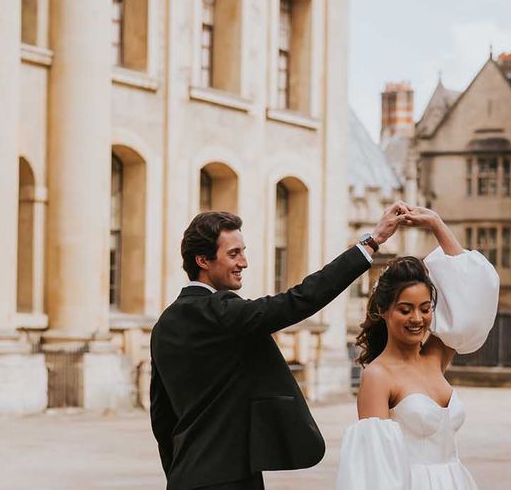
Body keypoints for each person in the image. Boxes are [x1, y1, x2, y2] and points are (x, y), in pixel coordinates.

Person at [150, 203, 408, 490]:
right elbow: (300, 299)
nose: (244, 262)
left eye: (243, 251)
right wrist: (371, 243)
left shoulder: (163, 325)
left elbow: (161, 418)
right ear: (202, 260)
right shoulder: (222, 312)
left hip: (185, 477)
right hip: (230, 477)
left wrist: (179, 472)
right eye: (233, 254)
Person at [335, 205, 500, 490]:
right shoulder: (378, 376)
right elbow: (374, 473)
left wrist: (437, 224)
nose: (417, 319)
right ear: (384, 311)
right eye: (405, 309)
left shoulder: (436, 356)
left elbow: (473, 298)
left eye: (425, 309)